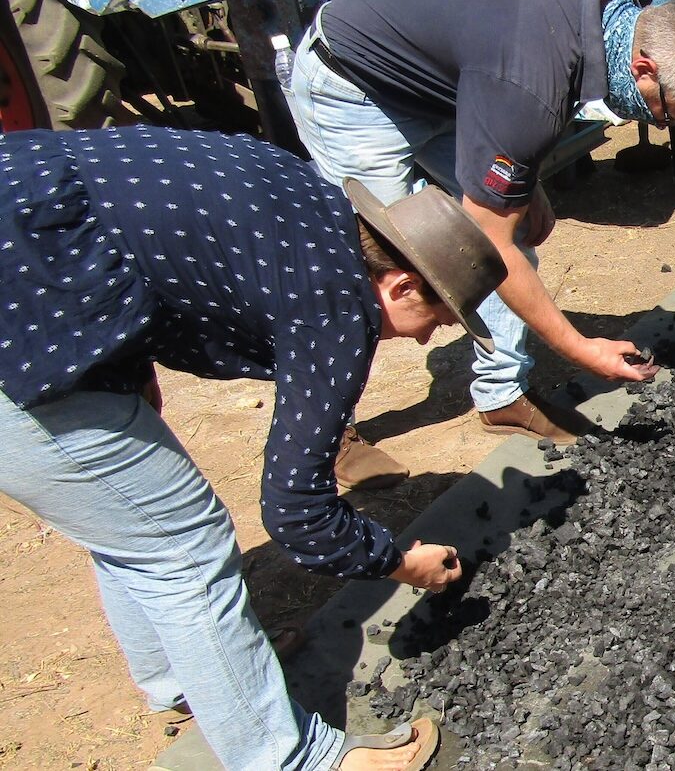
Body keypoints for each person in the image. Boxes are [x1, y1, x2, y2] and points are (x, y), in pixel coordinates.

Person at [0, 125, 509, 770]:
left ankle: (185, 684)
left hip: (33, 251)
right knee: (182, 546)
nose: (423, 339)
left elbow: (134, 235)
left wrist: (122, 368)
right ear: (402, 285)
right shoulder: (335, 304)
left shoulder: (309, 206)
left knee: (129, 523)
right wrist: (402, 561)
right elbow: (298, 515)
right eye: (436, 318)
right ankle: (289, 758)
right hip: (17, 319)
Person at [285, 0, 675, 469]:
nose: (656, 123)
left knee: (508, 224)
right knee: (382, 266)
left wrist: (524, 178)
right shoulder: (528, 89)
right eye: (665, 114)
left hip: (454, 80)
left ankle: (501, 395)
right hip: (356, 80)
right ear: (644, 68)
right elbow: (488, 241)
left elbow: (508, 90)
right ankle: (325, 431)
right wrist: (579, 348)